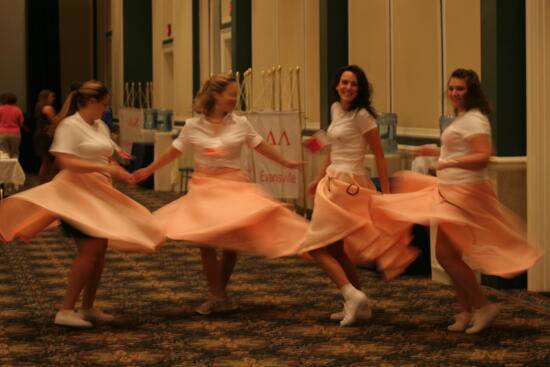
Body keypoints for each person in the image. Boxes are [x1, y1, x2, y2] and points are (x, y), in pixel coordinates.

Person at [373, 68, 543, 334]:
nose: (454, 93)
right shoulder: (462, 118)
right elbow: (459, 150)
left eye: (460, 89)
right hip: (450, 189)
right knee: (448, 255)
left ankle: (483, 306)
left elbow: (483, 155)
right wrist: (435, 152)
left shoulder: (476, 119)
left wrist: (445, 161)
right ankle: (465, 310)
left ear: (471, 90)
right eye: (451, 88)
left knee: (446, 256)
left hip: (464, 193)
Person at [133, 73, 308, 315]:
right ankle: (218, 295)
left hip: (234, 184)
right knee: (205, 242)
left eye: (236, 95)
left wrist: (285, 162)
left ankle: (218, 295)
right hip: (205, 186)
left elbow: (260, 145)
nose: (235, 99)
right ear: (216, 95)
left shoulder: (240, 123)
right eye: (231, 94)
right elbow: (173, 152)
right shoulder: (194, 125)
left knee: (230, 242)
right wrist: (148, 170)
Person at [0, 80, 164, 328]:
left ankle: (88, 306)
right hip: (75, 194)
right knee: (89, 253)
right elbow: (65, 162)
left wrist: (117, 161)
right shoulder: (70, 125)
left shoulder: (98, 125)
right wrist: (104, 167)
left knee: (99, 253)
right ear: (91, 102)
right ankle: (65, 310)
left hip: (98, 193)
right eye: (105, 104)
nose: (106, 110)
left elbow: (103, 150)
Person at [299, 65, 418, 327]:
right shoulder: (335, 109)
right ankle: (358, 304)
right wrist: (318, 177)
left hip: (348, 183)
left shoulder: (362, 116)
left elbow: (378, 153)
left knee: (313, 247)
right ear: (337, 85)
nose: (348, 88)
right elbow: (333, 148)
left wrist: (385, 191)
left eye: (353, 84)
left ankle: (351, 294)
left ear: (360, 89)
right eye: (344, 83)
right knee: (336, 248)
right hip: (332, 180)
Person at [34, 89, 57, 183]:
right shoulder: (48, 108)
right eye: (51, 96)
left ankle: (43, 183)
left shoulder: (39, 106)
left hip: (40, 135)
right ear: (46, 98)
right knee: (47, 162)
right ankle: (44, 183)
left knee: (45, 162)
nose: (53, 99)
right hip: (45, 136)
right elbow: (54, 121)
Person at [0, 92, 25, 158]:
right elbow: (21, 123)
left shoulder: (0, 109)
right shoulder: (18, 110)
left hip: (2, 133)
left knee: (4, 154)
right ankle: (14, 168)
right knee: (15, 153)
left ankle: (5, 168)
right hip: (15, 133)